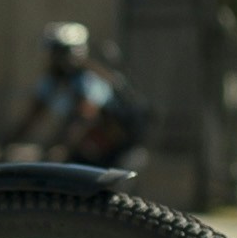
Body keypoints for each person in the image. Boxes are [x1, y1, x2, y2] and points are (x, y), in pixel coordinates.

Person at [10, 21, 146, 169]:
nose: (53, 58)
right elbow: (33, 116)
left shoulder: (89, 80)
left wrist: (58, 148)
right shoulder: (53, 80)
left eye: (58, 52)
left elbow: (83, 118)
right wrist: (7, 145)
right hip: (87, 147)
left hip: (114, 149)